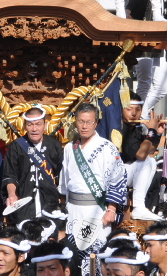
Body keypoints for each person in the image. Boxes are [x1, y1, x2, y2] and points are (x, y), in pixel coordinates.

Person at [58, 103, 127, 276]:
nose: (84, 126)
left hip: (97, 210)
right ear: (75, 122)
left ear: (96, 123)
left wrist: (112, 209)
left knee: (95, 256)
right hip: (74, 210)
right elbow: (65, 183)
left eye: (88, 122)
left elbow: (117, 178)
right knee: (73, 255)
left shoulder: (107, 147)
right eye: (81, 121)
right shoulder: (69, 148)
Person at [2, 105, 64, 223]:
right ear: (25, 126)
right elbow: (10, 175)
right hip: (24, 203)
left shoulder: (54, 145)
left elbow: (61, 175)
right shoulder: (16, 146)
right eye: (30, 125)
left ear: (45, 125)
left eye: (38, 124)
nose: (34, 129)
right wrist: (12, 194)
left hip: (49, 203)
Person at [119, 94, 164, 220]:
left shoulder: (134, 128)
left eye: (138, 110)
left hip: (123, 173)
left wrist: (157, 134)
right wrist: (151, 131)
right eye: (129, 109)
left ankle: (140, 205)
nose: (134, 113)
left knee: (151, 162)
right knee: (146, 162)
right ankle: (138, 206)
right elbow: (141, 155)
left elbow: (150, 151)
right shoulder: (122, 127)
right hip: (112, 175)